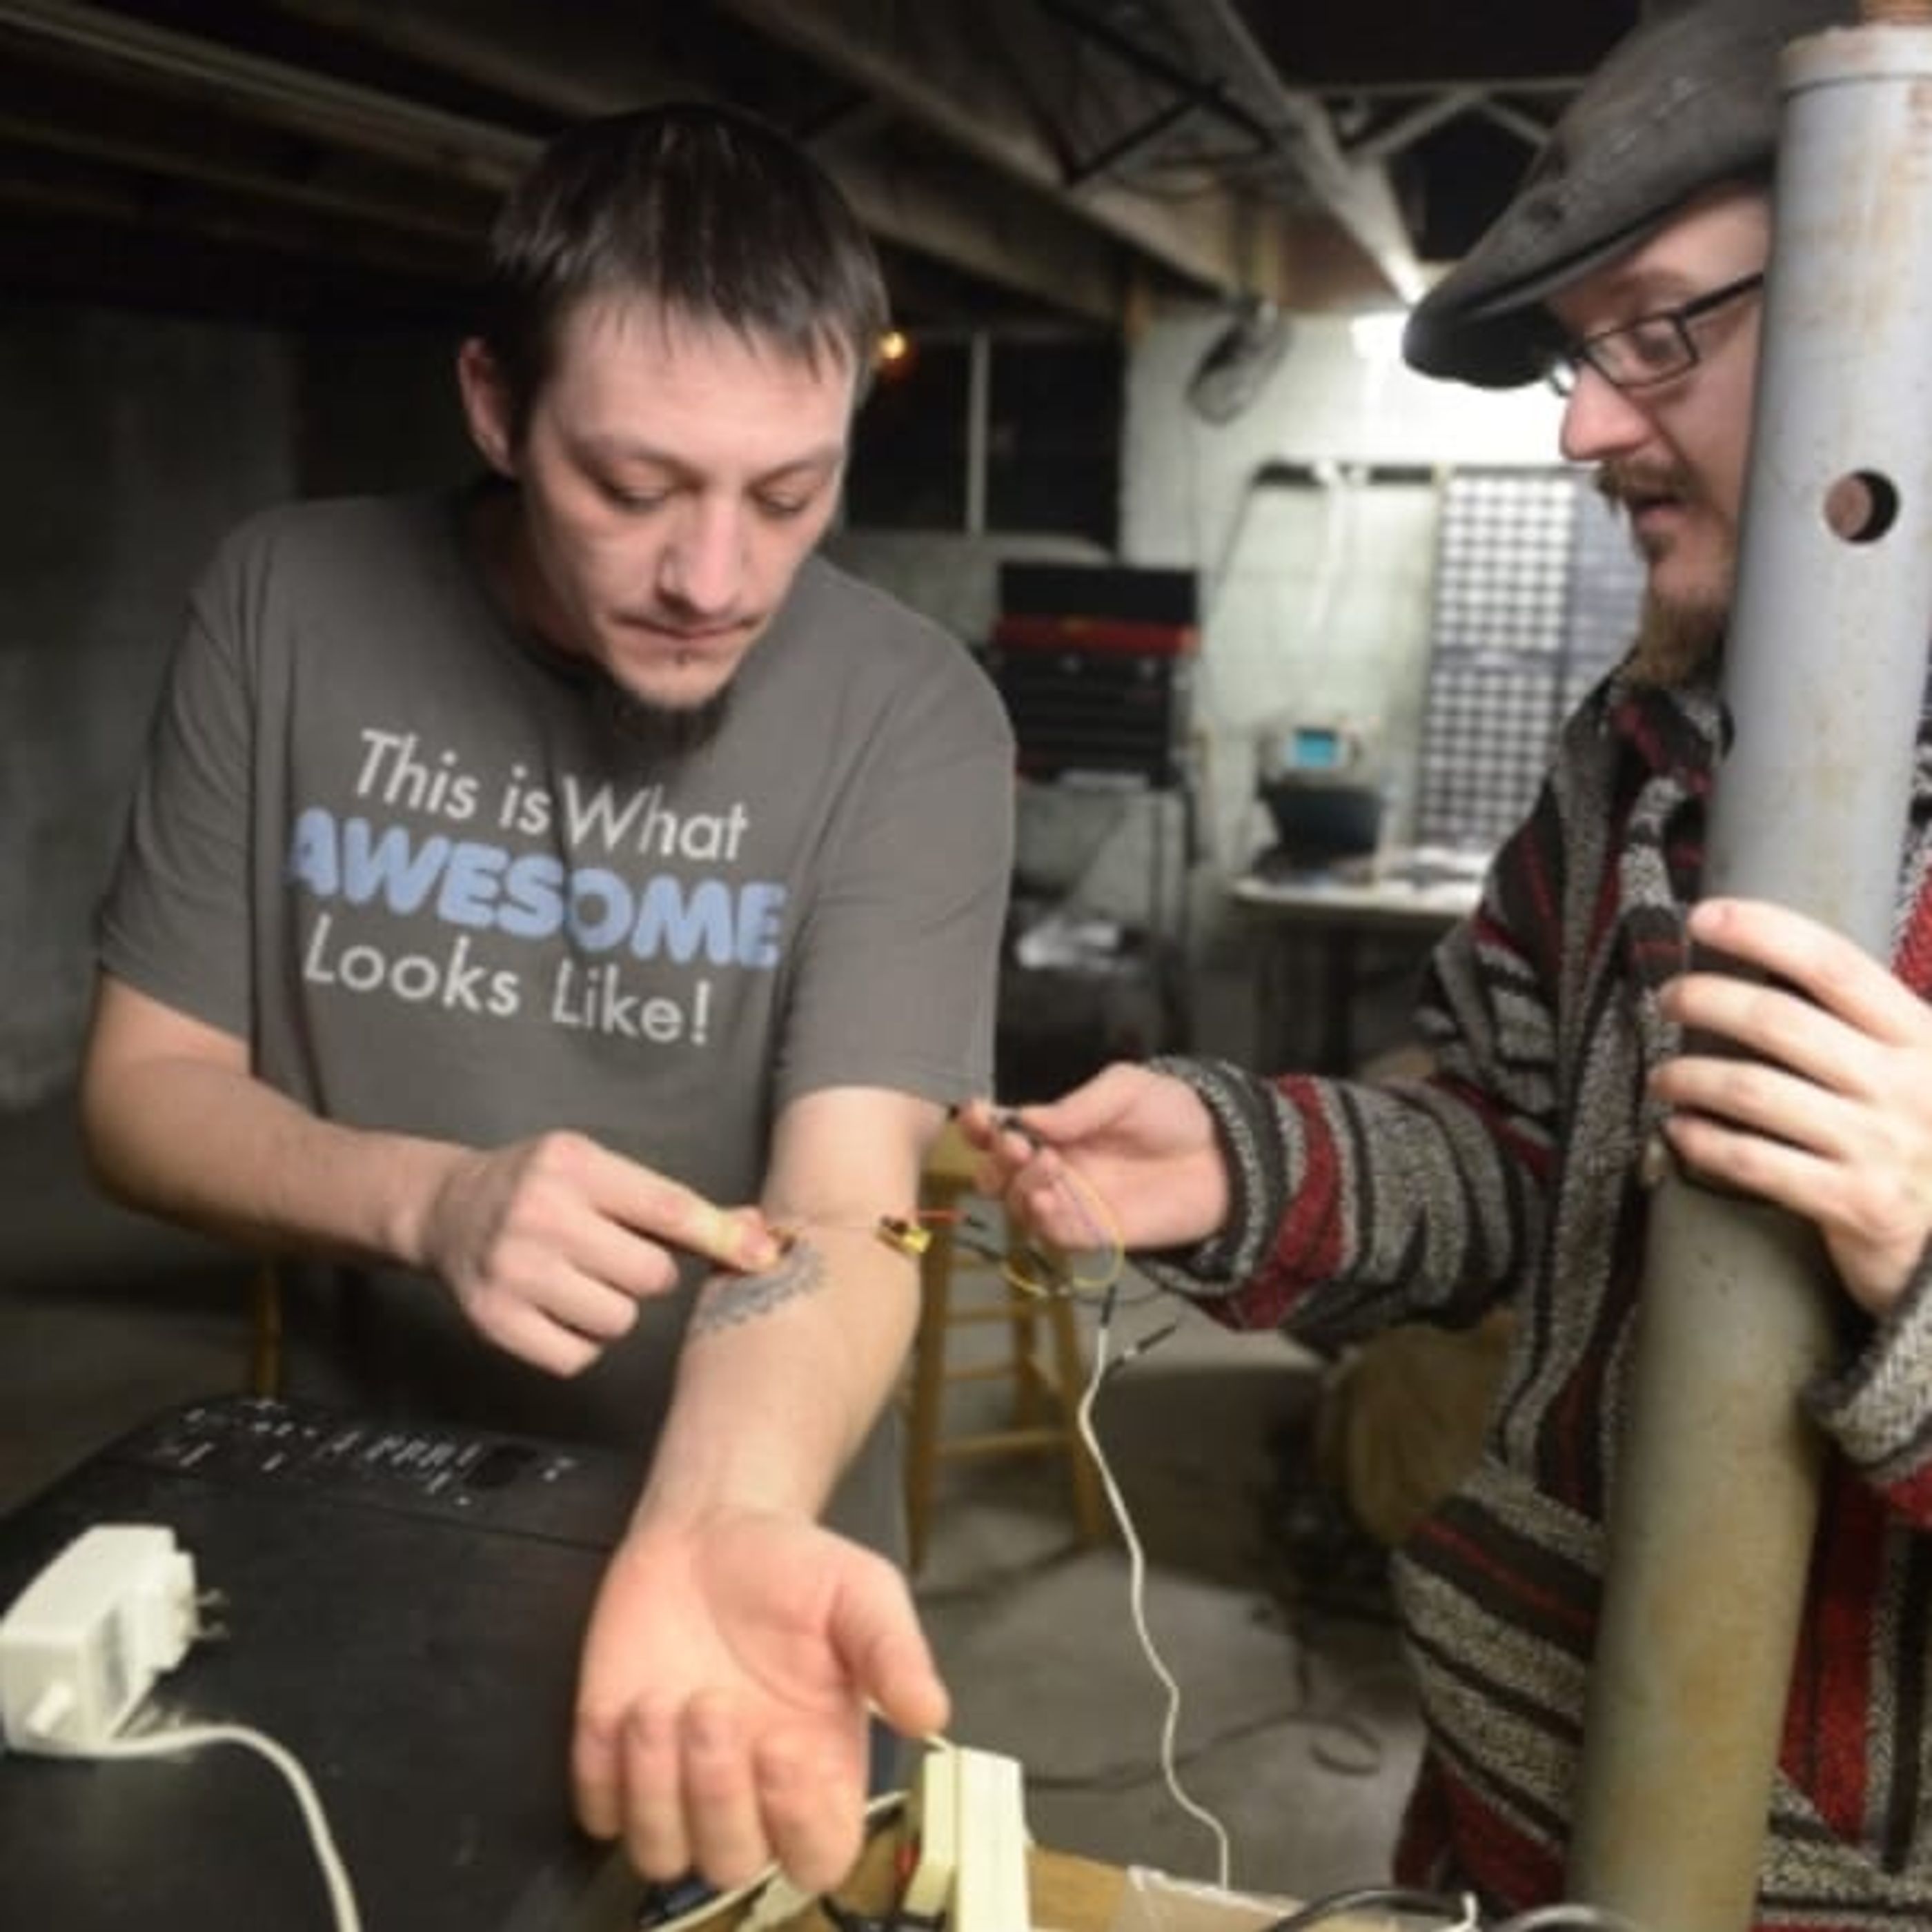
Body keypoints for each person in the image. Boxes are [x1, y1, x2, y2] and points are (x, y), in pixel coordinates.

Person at [963, 0, 1932, 1919]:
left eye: (1658, 334)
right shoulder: (1638, 760)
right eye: (1581, 354)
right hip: (1517, 1819)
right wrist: (1242, 1161)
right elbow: (1516, 1163)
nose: (1581, 425)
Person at [78, 101, 1013, 1895]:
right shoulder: (286, 604)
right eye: (633, 488)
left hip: (747, 1577)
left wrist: (715, 1521)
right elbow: (141, 1091)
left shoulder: (912, 716)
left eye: (789, 495)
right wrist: (430, 1199)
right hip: (374, 1522)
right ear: (496, 407)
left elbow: (847, 1206)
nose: (714, 580)